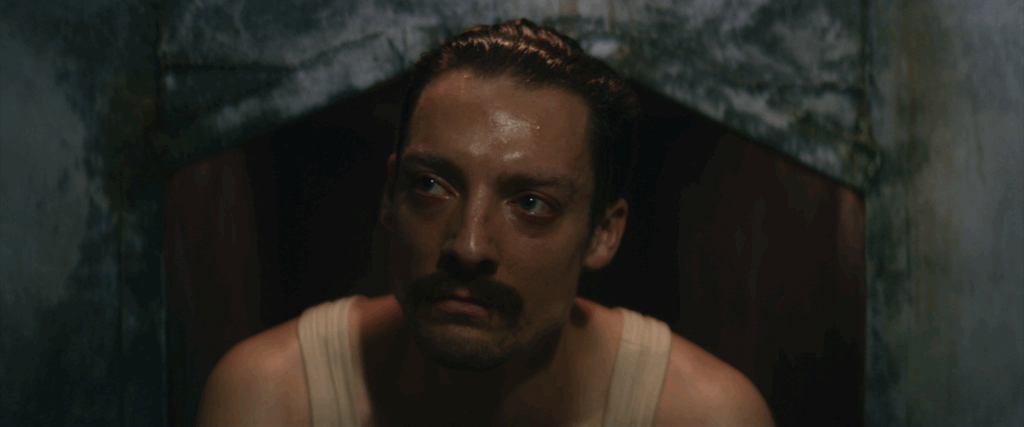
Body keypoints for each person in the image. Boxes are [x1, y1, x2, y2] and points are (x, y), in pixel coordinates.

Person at [196, 19, 774, 427]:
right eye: (431, 186)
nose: (469, 246)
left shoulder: (701, 415)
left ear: (604, 232)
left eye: (532, 204)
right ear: (389, 195)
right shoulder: (275, 398)